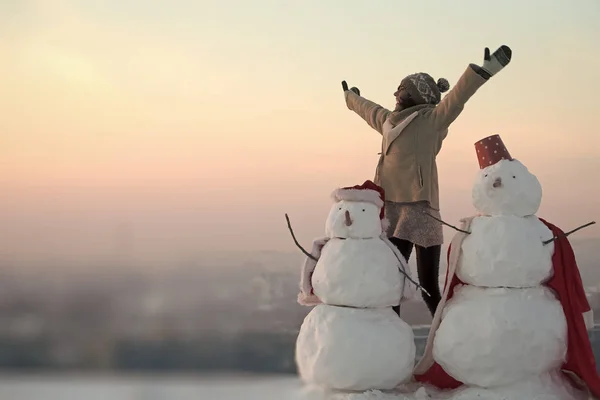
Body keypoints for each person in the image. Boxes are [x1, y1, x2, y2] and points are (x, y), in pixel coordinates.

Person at [341, 45, 512, 317]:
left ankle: (447, 333)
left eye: (401, 89)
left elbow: (457, 98)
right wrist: (351, 97)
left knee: (428, 284)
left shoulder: (432, 120)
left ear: (415, 94)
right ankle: (391, 333)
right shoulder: (388, 121)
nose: (396, 93)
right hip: (392, 208)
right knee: (393, 278)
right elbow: (368, 109)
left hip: (421, 207)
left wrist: (484, 71)